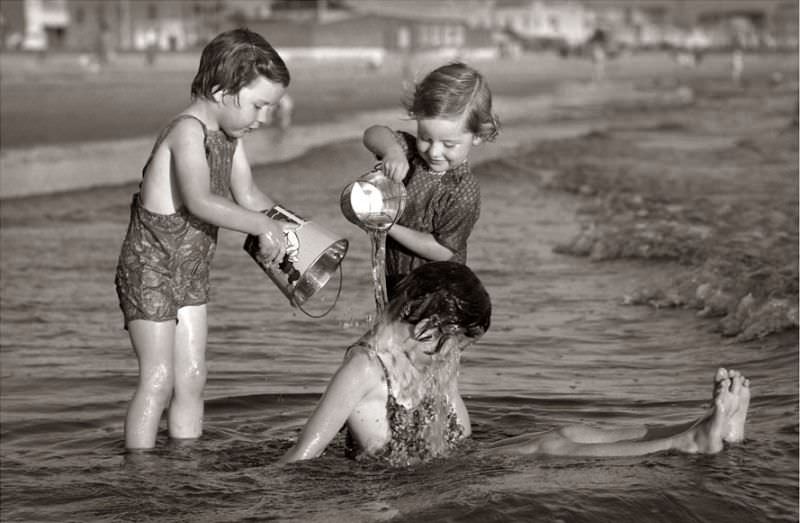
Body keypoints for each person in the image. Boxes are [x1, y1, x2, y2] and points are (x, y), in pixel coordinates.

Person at [280, 262, 751, 464]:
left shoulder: (429, 358)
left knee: (568, 430)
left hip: (441, 467)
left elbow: (460, 432)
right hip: (402, 485)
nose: (452, 354)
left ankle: (700, 426)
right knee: (550, 446)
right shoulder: (364, 367)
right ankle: (686, 443)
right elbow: (303, 454)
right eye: (450, 341)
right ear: (419, 317)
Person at [115, 28, 295, 450]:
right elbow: (199, 200)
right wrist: (261, 227)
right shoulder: (186, 132)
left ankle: (185, 465)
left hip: (191, 270)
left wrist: (297, 231)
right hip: (150, 268)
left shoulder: (230, 138)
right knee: (158, 379)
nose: (263, 118)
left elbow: (248, 196)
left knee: (193, 377)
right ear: (221, 90)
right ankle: (138, 475)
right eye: (258, 105)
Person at [361, 62, 499, 298]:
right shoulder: (411, 152)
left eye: (448, 144)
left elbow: (443, 250)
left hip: (438, 291)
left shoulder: (463, 191)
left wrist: (388, 227)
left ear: (477, 136)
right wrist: (392, 151)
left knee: (414, 333)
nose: (434, 152)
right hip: (396, 277)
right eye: (426, 137)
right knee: (389, 324)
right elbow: (372, 134)